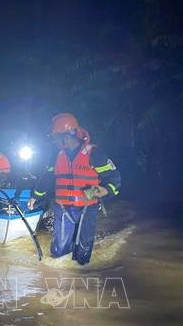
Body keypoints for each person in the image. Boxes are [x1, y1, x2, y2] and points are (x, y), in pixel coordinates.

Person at [27, 113, 121, 265]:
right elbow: (47, 178)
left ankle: (81, 277)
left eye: (55, 138)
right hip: (63, 207)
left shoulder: (94, 154)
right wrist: (35, 196)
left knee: (83, 256)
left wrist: (104, 190)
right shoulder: (56, 156)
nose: (54, 141)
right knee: (59, 253)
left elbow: (114, 178)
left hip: (87, 208)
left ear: (66, 137)